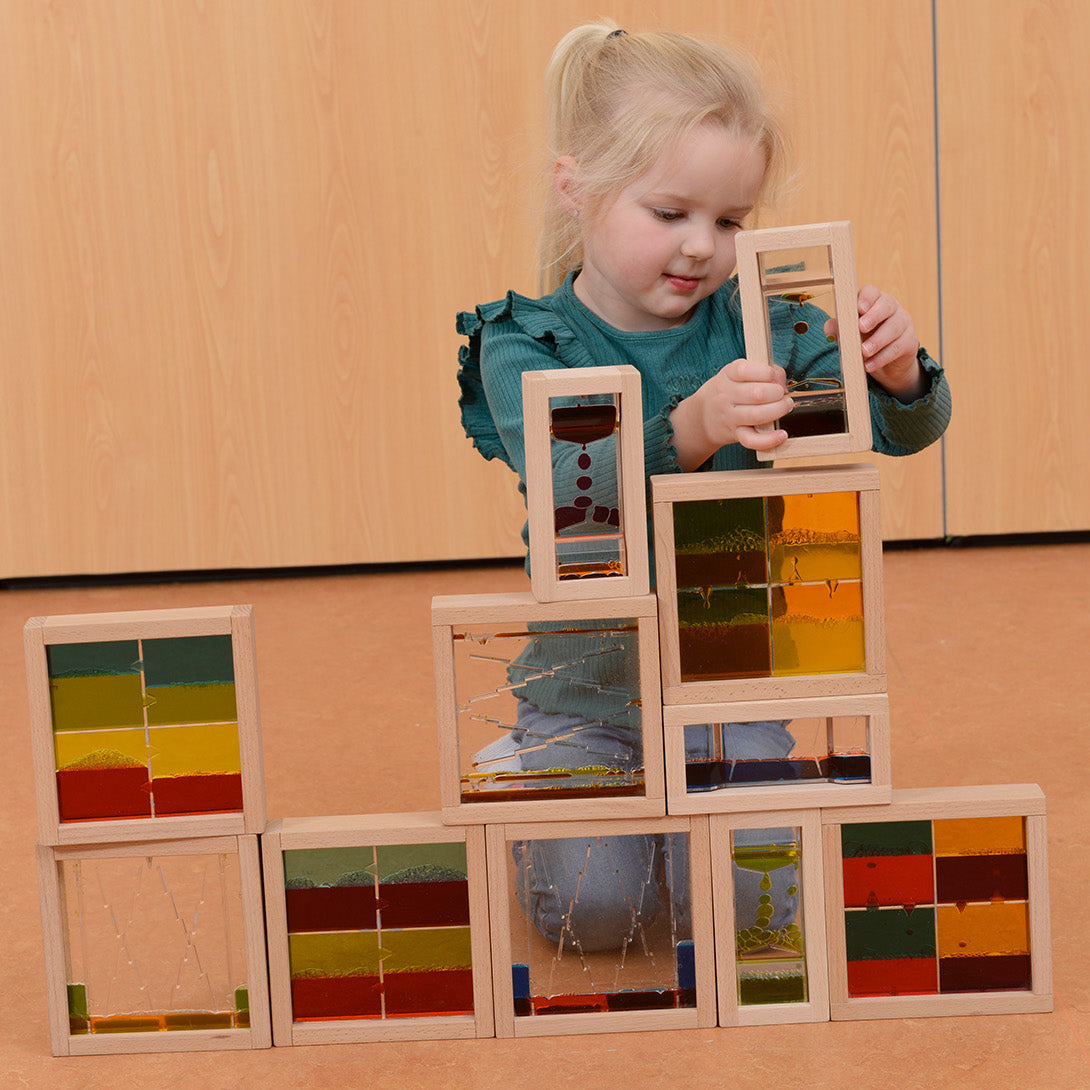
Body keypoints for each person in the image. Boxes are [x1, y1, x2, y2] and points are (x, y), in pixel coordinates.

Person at [456, 22, 951, 957]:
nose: (700, 248)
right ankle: (533, 768)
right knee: (596, 917)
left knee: (740, 917)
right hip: (587, 691)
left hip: (729, 676)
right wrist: (694, 427)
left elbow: (901, 431)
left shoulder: (758, 316)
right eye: (670, 212)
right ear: (579, 189)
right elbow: (571, 487)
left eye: (728, 222)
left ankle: (697, 805)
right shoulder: (525, 342)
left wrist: (896, 371)